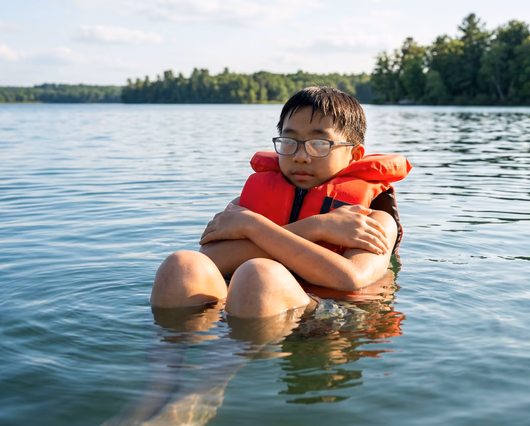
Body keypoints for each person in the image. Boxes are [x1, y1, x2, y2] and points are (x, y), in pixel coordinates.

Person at [150, 86, 410, 318]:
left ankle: (216, 368)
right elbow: (209, 260)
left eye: (319, 144)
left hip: (325, 318)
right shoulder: (247, 207)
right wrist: (314, 227)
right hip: (249, 307)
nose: (300, 157)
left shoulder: (373, 218)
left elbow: (350, 278)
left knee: (259, 274)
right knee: (181, 265)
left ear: (354, 155)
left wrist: (253, 228)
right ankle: (167, 369)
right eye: (289, 141)